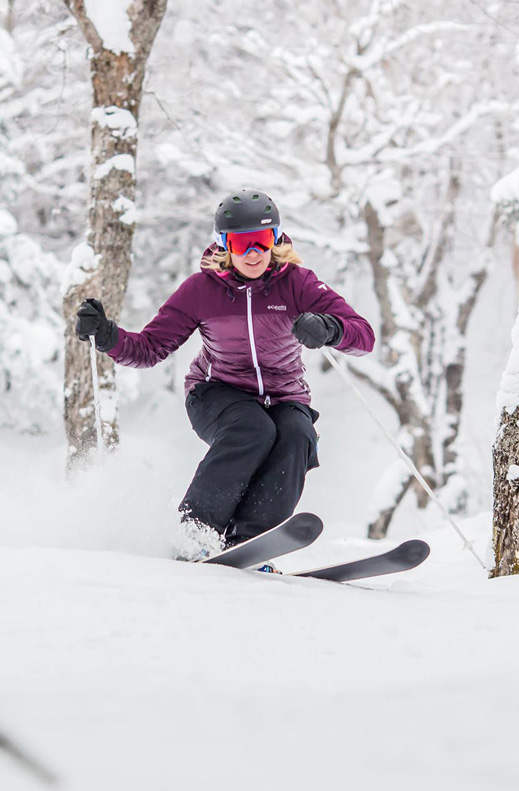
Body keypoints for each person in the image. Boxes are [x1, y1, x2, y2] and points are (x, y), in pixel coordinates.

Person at [74, 189, 375, 563]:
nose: (253, 254)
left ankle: (250, 542)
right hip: (216, 392)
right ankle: (195, 532)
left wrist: (330, 328)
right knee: (252, 429)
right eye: (242, 243)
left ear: (276, 239)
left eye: (262, 242)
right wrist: (107, 336)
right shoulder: (201, 291)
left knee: (297, 436)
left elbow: (364, 336)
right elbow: (149, 349)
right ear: (224, 245)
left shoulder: (297, 284)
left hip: (284, 396)